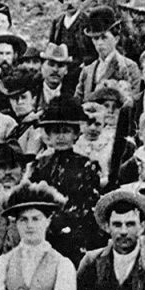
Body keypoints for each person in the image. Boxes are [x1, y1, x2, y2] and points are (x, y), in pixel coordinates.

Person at [28, 97, 103, 264]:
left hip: (76, 235)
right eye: (55, 131)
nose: (61, 137)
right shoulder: (40, 165)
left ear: (76, 134)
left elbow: (90, 204)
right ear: (48, 135)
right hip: (45, 233)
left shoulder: (87, 165)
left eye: (66, 131)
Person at [73, 6, 142, 103]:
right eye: (96, 38)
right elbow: (77, 102)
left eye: (104, 37)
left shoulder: (129, 66)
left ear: (116, 39)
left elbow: (132, 102)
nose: (99, 43)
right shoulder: (87, 71)